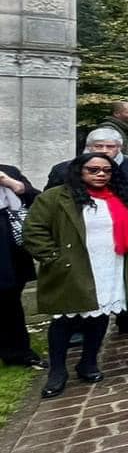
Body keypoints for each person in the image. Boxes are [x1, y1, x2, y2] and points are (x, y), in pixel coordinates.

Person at [22, 152, 128, 397]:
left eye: (106, 171)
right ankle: (57, 371)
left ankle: (88, 362)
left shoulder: (119, 197)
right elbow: (34, 231)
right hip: (72, 265)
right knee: (65, 318)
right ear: (79, 171)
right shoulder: (56, 197)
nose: (100, 175)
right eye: (93, 170)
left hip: (110, 263)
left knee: (100, 315)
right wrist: (54, 259)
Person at [47, 127, 128, 338]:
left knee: (125, 278)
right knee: (81, 280)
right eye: (98, 146)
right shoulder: (64, 170)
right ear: (88, 148)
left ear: (119, 148)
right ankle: (77, 324)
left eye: (110, 146)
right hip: (81, 237)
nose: (104, 150)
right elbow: (48, 209)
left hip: (123, 237)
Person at [0, 158, 41, 369]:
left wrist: (14, 185)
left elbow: (36, 198)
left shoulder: (8, 171)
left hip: (8, 241)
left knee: (9, 299)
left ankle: (17, 352)